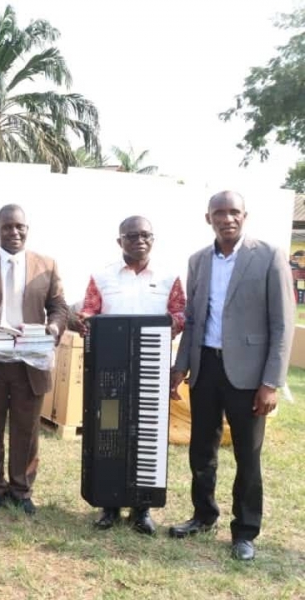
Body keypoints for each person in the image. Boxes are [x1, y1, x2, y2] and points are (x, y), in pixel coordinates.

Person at [169, 191, 294, 561]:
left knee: (247, 456)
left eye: (234, 212)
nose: (227, 219)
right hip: (205, 368)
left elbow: (282, 325)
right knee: (201, 451)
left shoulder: (269, 257)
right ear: (208, 218)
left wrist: (271, 383)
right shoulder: (198, 260)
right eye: (219, 213)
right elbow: (192, 318)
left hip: (250, 376)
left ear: (245, 215)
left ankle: (245, 532)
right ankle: (202, 515)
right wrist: (180, 368)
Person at [75, 215, 186, 535]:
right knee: (109, 432)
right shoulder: (102, 276)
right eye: (132, 235)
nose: (140, 240)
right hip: (111, 375)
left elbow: (180, 314)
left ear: (154, 239)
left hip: (151, 368)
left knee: (146, 431)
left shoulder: (168, 276)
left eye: (146, 235)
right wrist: (86, 321)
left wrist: (161, 328)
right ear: (119, 241)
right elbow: (89, 312)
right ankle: (109, 505)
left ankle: (142, 508)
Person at [0, 204, 68, 516]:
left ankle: (21, 489)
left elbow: (59, 306)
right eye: (7, 227)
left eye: (19, 227)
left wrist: (52, 328)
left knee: (27, 428)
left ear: (27, 229)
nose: (14, 232)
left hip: (29, 360)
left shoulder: (46, 266)